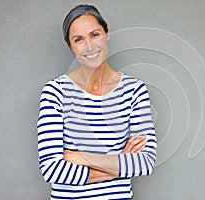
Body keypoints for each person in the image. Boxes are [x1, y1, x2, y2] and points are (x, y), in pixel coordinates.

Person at [37, 4, 157, 200]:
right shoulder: (55, 92)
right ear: (71, 45)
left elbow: (144, 163)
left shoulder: (134, 90)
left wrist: (81, 157)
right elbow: (51, 169)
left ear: (106, 33)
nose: (90, 47)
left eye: (95, 35)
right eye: (79, 40)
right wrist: (119, 163)